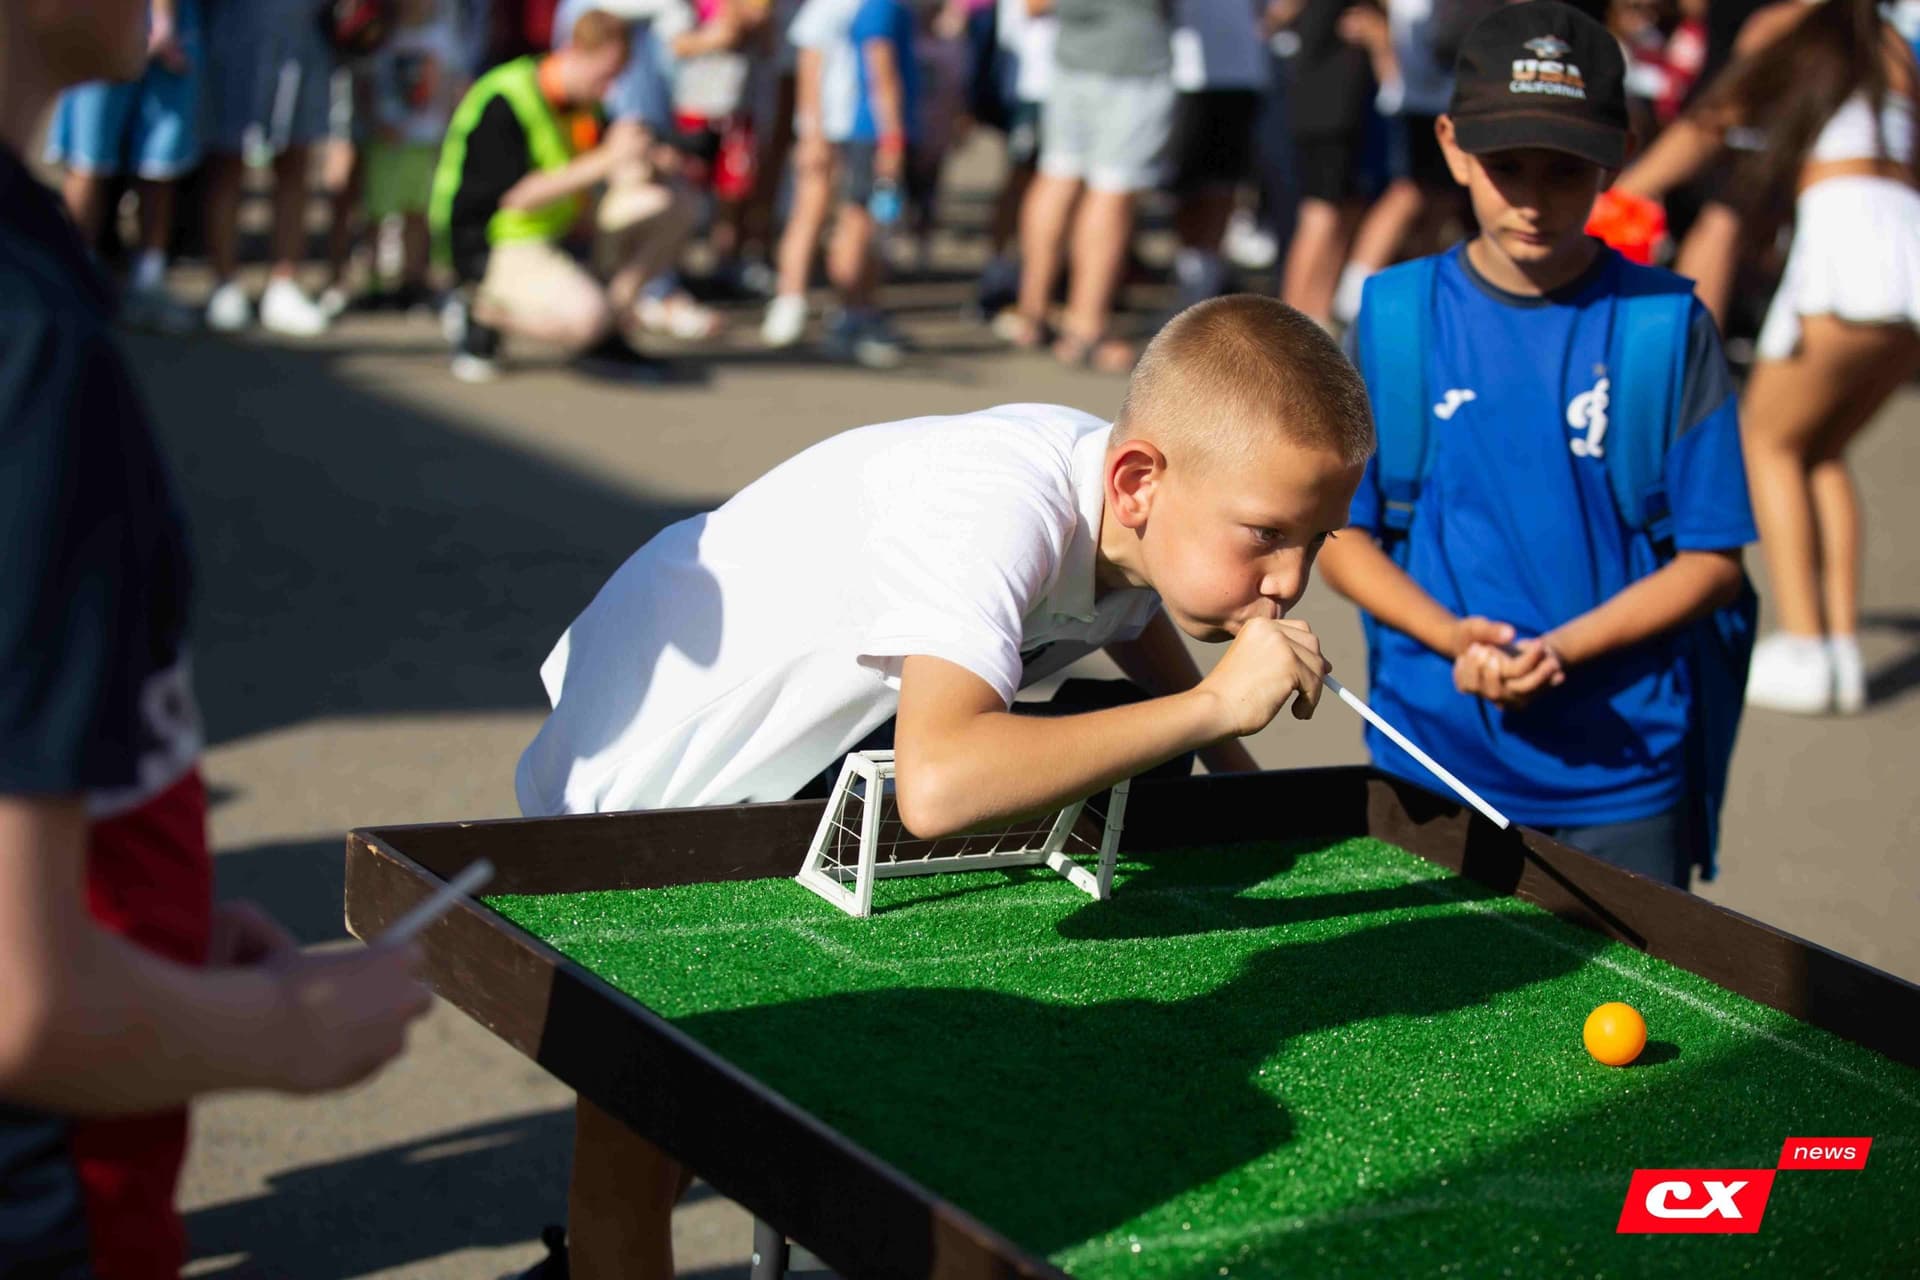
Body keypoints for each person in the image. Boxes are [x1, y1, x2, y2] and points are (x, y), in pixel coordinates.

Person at [511, 293, 1372, 1276]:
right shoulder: (999, 511)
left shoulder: (1136, 508)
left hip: (792, 765)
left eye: (1318, 540)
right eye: (1265, 533)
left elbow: (1127, 613)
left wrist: (1237, 777)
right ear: (1137, 482)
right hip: (653, 767)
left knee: (706, 1091)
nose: (1290, 579)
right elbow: (939, 785)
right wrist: (1214, 708)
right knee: (640, 1123)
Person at [0, 3, 432, 1278]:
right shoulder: (28, 338)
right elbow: (24, 1002)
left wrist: (162, 938)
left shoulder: (38, 263)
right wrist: (283, 1028)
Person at [1317, 1, 1756, 890]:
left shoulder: (1664, 324)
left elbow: (1713, 561)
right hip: (1428, 756)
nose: (1531, 197)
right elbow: (1342, 538)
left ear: (1617, 156)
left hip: (1624, 775)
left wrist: (1562, 650)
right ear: (1451, 146)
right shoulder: (1394, 317)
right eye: (1506, 164)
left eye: (1564, 169)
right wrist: (1450, 637)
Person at [1612, 0, 1920, 715]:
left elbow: (1710, 122)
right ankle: (1839, 650)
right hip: (1905, 244)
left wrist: (1622, 193)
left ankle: (1806, 646)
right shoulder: (1890, 41)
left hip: (1847, 242)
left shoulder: (1786, 25)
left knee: (1766, 443)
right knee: (1820, 450)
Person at [429, 8, 692, 382]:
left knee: (674, 205)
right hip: (495, 243)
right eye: (604, 76)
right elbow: (516, 198)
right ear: (574, 51)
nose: (609, 89)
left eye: (616, 77)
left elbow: (612, 170)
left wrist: (651, 158)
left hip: (561, 232)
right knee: (586, 318)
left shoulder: (585, 102)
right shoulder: (506, 96)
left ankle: (611, 322)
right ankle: (479, 309)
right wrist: (607, 160)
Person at [1011, 0, 1177, 372]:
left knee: (1058, 176)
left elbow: (1034, 6)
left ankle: (1031, 312)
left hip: (1072, 59)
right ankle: (1085, 328)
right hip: (1129, 61)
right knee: (1111, 190)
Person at [42, 0, 204, 334]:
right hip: (103, 19)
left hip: (172, 26)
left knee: (160, 162)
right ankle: (73, 280)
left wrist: (165, 20)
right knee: (89, 157)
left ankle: (147, 280)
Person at [201, 0, 340, 335]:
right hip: (240, 28)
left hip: (306, 32)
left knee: (296, 159)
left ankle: (284, 282)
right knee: (229, 160)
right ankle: (224, 283)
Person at [820, 0, 920, 366]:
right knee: (858, 222)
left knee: (874, 226)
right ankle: (849, 316)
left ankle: (865, 310)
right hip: (871, 133)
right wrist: (891, 139)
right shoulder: (880, 7)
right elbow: (881, 71)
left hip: (876, 132)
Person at [761, 0, 862, 347]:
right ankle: (789, 299)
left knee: (851, 220)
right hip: (828, 129)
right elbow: (808, 66)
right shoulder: (827, 7)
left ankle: (847, 307)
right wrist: (812, 132)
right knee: (808, 214)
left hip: (858, 130)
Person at [1166, 0, 1270, 308]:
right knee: (1184, 187)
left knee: (1224, 183)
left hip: (1240, 73)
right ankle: (1191, 282)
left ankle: (1203, 287)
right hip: (1183, 72)